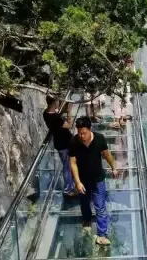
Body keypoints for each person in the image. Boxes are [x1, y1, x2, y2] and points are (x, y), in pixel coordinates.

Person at [69, 116, 119, 245]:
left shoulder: (99, 138)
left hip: (98, 178)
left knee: (100, 206)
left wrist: (113, 168)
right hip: (83, 180)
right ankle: (87, 221)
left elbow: (107, 155)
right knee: (84, 203)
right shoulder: (74, 142)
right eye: (79, 133)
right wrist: (77, 182)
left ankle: (102, 234)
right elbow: (73, 163)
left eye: (84, 133)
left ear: (90, 129)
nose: (81, 136)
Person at [43, 94, 76, 196]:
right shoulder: (56, 118)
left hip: (59, 142)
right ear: (54, 102)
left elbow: (57, 115)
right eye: (57, 101)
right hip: (64, 143)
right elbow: (69, 125)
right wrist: (69, 111)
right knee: (67, 166)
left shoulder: (46, 113)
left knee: (68, 165)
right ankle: (68, 189)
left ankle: (71, 185)